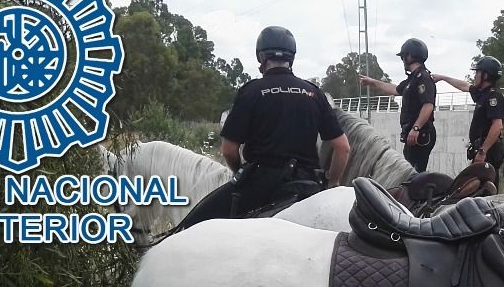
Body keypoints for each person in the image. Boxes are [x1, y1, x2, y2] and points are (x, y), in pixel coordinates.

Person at [180, 26, 349, 228]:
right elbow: (343, 148)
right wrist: (332, 182)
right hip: (307, 186)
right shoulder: (314, 93)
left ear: (261, 57)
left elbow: (228, 149)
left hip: (260, 185)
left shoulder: (251, 92)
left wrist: (240, 173)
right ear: (291, 58)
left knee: (196, 223)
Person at [360, 37, 438, 172]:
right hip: (413, 133)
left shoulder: (423, 78)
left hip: (421, 134)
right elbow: (395, 90)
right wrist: (373, 82)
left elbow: (428, 105)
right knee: (409, 173)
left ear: (409, 57)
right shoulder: (413, 79)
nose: (402, 61)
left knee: (414, 175)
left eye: (403, 57)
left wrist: (416, 128)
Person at [431, 55, 504, 172]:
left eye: (477, 72)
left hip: (489, 152)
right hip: (482, 150)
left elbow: (497, 126)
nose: (475, 76)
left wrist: (483, 151)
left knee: (485, 186)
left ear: (485, 76)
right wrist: (443, 77)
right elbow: (464, 86)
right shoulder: (483, 94)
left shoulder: (493, 97)